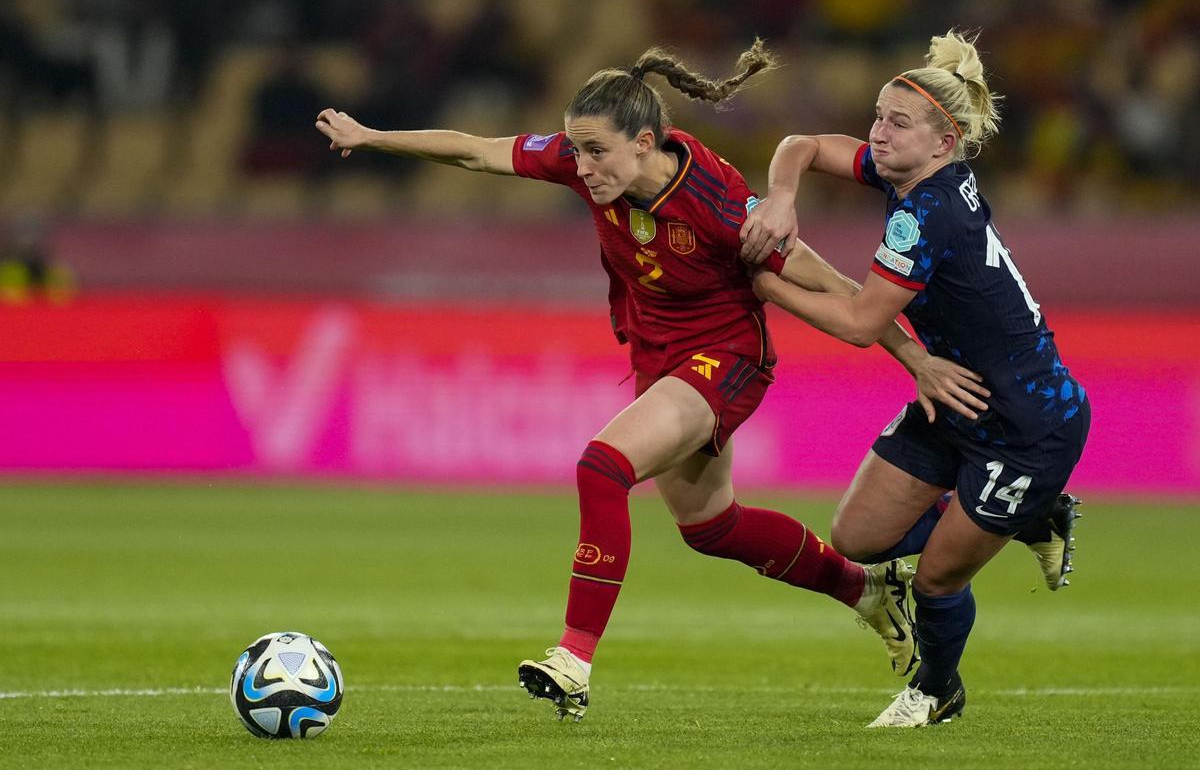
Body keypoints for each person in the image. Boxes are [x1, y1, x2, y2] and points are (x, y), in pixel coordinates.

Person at [315, 40, 986, 723]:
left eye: (595, 154)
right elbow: (474, 150)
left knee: (602, 466)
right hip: (658, 357)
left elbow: (828, 280)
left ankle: (573, 658)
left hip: (726, 359)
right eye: (575, 153)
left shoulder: (716, 201)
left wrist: (915, 358)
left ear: (643, 143)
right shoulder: (587, 160)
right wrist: (372, 137)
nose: (581, 168)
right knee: (711, 527)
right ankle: (865, 591)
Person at [739, 30, 1090, 727]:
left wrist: (764, 280)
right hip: (954, 395)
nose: (877, 132)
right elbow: (802, 144)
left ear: (943, 141)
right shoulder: (912, 173)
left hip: (1027, 427)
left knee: (934, 579)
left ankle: (936, 689)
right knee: (857, 538)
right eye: (876, 115)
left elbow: (862, 323)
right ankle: (1030, 517)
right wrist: (780, 198)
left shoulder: (929, 213)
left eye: (896, 122)